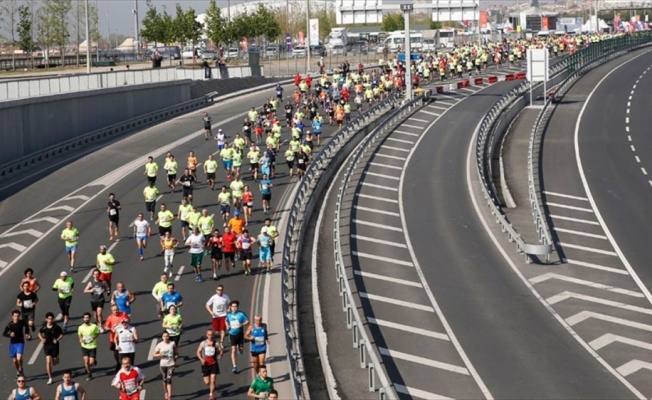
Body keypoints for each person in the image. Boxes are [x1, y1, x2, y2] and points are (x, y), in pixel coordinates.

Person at [196, 329, 224, 400]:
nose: (210, 336)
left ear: (213, 335)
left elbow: (221, 351)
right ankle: (212, 385)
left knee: (213, 380)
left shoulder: (216, 343)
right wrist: (201, 359)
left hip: (214, 364)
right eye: (209, 335)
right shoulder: (203, 343)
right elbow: (198, 352)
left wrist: (220, 355)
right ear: (206, 335)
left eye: (212, 335)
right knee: (207, 382)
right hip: (205, 364)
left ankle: (211, 394)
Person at [39, 311, 64, 384]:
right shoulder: (44, 327)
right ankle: (50, 377)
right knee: (48, 361)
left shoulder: (56, 327)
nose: (50, 320)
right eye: (49, 319)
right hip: (47, 346)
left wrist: (58, 339)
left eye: (51, 319)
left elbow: (62, 335)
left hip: (55, 346)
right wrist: (42, 339)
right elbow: (39, 333)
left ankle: (56, 359)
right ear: (46, 319)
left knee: (55, 362)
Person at [153, 331, 178, 400]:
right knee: (164, 380)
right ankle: (166, 391)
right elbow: (153, 354)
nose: (166, 338)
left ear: (169, 336)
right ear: (162, 337)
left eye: (167, 336)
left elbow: (176, 352)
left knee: (169, 379)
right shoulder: (160, 345)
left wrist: (176, 356)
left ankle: (169, 396)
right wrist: (160, 354)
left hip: (171, 364)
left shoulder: (172, 343)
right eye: (164, 336)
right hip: (163, 364)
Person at [225, 300, 249, 373]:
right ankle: (234, 366)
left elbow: (247, 321)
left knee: (241, 349)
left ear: (237, 307)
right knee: (233, 350)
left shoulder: (241, 314)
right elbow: (226, 320)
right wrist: (227, 325)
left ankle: (240, 348)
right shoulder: (229, 315)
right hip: (232, 334)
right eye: (233, 307)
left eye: (235, 307)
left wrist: (242, 324)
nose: (234, 308)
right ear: (230, 307)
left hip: (240, 334)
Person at [78, 312, 100, 380]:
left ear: (90, 318)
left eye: (87, 318)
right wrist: (80, 340)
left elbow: (97, 333)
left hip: (92, 346)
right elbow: (80, 335)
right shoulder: (80, 327)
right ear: (83, 318)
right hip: (84, 346)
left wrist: (93, 338)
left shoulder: (94, 326)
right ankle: (89, 374)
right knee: (86, 361)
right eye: (85, 318)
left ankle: (92, 361)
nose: (86, 319)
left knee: (91, 362)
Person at [104, 305, 127, 372]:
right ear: (112, 311)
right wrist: (111, 329)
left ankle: (124, 364)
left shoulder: (123, 314)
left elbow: (127, 320)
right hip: (113, 338)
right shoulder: (110, 318)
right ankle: (118, 362)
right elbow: (106, 327)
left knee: (123, 351)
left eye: (116, 309)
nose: (116, 311)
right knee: (116, 352)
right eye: (114, 310)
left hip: (123, 337)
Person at [3, 310, 26, 376]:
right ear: (12, 316)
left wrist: (27, 333)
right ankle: (18, 371)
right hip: (13, 343)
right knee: (14, 361)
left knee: (19, 358)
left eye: (17, 316)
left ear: (19, 316)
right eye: (15, 316)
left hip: (20, 342)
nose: (16, 317)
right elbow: (4, 333)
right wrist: (9, 335)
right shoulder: (10, 325)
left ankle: (21, 368)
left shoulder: (21, 322)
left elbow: (26, 326)